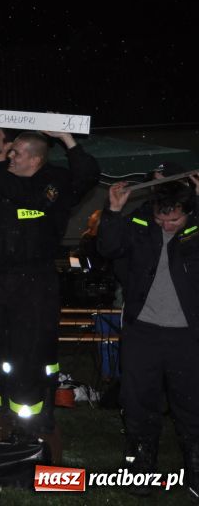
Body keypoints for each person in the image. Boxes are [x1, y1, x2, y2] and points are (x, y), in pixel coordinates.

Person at [0, 130, 100, 438]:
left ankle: (27, 424)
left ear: (37, 159)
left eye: (18, 153)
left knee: (28, 353)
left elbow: (87, 174)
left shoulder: (55, 182)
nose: (10, 156)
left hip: (34, 281)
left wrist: (66, 138)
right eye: (11, 152)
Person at [98, 182, 199, 498]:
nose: (167, 226)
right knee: (138, 401)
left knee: (192, 403)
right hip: (143, 332)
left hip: (188, 335)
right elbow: (107, 248)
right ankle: (142, 466)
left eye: (175, 221)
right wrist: (114, 211)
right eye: (161, 219)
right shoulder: (141, 225)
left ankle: (195, 467)